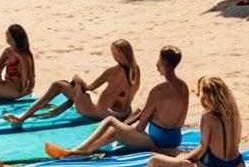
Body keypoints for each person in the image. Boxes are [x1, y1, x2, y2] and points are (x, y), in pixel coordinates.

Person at [44, 45, 188, 158]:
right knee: (115, 131)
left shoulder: (158, 90)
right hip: (175, 139)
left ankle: (78, 150)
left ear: (164, 63)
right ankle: (87, 150)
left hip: (157, 140)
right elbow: (181, 121)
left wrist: (129, 134)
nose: (156, 64)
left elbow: (142, 123)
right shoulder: (184, 87)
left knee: (110, 122)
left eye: (158, 60)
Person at [132, 76, 245, 167]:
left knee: (155, 162)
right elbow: (237, 140)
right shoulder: (233, 113)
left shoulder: (208, 116)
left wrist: (179, 161)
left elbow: (202, 148)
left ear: (207, 97)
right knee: (180, 159)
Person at [4, 39, 140, 128]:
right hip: (123, 113)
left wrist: (76, 78)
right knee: (87, 92)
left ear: (118, 54)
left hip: (99, 113)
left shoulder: (113, 71)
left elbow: (89, 87)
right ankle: (55, 110)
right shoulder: (136, 70)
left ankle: (23, 117)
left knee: (59, 84)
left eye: (113, 52)